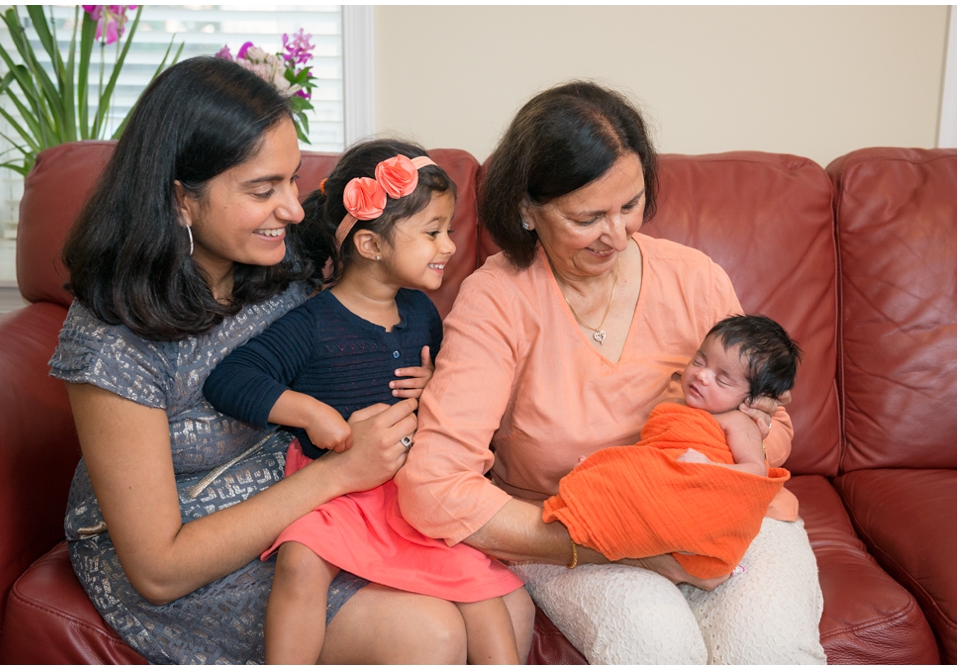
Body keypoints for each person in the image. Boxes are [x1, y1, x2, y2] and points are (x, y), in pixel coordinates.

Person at [49, 57, 484, 664]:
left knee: (493, 607)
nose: (294, 210)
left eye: (291, 180)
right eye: (263, 189)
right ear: (181, 200)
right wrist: (336, 474)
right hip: (201, 559)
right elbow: (159, 568)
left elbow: (377, 292)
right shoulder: (112, 340)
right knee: (428, 633)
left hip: (314, 504)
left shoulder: (286, 261)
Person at [395, 81, 827, 664]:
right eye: (589, 217)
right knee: (655, 641)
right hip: (572, 527)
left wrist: (735, 455)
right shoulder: (496, 300)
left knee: (769, 645)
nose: (619, 236)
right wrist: (619, 545)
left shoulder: (696, 278)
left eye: (631, 206)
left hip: (723, 514)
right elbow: (435, 489)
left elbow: (772, 424)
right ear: (526, 210)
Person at [203, 140, 528, 664]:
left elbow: (460, 390)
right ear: (372, 246)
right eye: (432, 232)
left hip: (409, 486)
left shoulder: (422, 312)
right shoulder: (311, 324)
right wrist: (313, 413)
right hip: (334, 487)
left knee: (485, 592)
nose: (448, 245)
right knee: (301, 562)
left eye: (448, 229)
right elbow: (232, 379)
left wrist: (433, 387)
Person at [544, 314, 802, 581]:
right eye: (699, 360)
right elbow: (651, 455)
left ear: (752, 400)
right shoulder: (673, 409)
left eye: (722, 379)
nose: (701, 375)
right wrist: (606, 463)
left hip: (704, 494)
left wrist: (711, 468)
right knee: (624, 477)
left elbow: (755, 472)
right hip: (669, 488)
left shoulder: (739, 422)